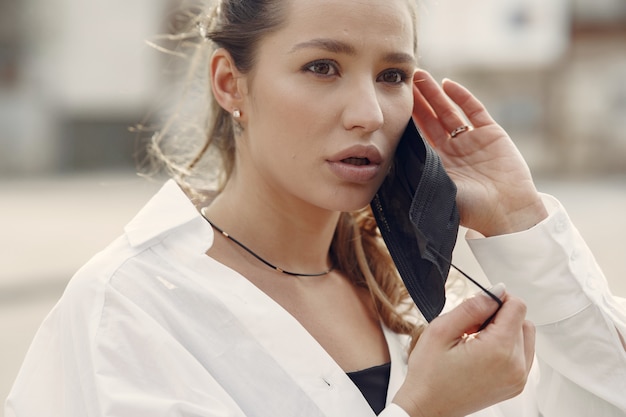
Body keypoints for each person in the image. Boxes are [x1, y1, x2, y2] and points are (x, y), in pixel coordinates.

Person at [6, 0, 626, 416]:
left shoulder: (413, 293)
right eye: (322, 67)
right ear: (230, 83)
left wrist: (518, 218)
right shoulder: (129, 307)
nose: (369, 113)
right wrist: (419, 412)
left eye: (392, 76)